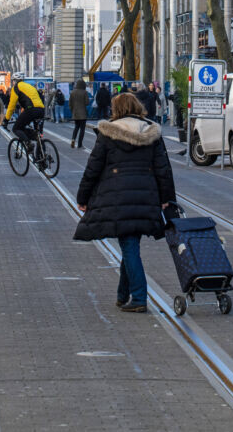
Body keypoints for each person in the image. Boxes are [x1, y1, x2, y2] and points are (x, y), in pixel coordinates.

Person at [75, 93, 176, 314]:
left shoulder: (108, 133)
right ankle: (122, 295)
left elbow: (93, 168)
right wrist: (166, 198)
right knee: (130, 245)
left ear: (116, 109)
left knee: (129, 247)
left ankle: (139, 297)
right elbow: (163, 169)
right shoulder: (151, 132)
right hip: (146, 197)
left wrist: (82, 198)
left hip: (118, 198)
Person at [6, 78, 45, 152]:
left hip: (31, 109)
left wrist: (6, 119)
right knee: (38, 134)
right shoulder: (30, 86)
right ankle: (43, 156)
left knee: (16, 128)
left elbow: (11, 105)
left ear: (14, 81)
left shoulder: (16, 87)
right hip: (41, 110)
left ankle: (28, 143)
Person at [68, 79, 90, 149]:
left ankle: (73, 139)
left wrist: (72, 111)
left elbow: (70, 104)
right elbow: (87, 102)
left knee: (76, 127)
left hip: (75, 113)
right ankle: (80, 144)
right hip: (83, 114)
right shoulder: (84, 92)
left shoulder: (72, 92)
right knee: (82, 129)